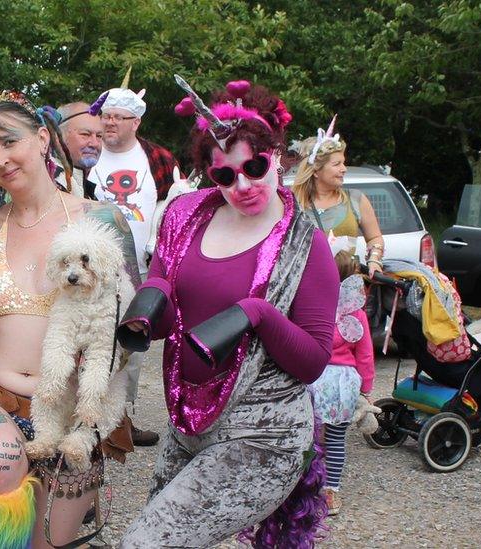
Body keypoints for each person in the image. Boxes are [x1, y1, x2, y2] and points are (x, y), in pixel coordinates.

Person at [0, 65, 139, 545]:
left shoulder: (99, 219)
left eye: (9, 142)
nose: (0, 158)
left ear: (41, 139)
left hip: (71, 411)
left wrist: (100, 380)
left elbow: (134, 322)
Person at [117, 78, 337, 547]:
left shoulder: (305, 244)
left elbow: (314, 361)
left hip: (264, 434)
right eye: (225, 175)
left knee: (145, 543)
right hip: (186, 422)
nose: (243, 185)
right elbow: (164, 286)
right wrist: (147, 302)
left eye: (254, 167)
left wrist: (257, 312)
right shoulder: (186, 214)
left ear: (277, 155)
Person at [88, 82, 179, 447]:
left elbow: (173, 204)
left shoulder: (157, 158)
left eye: (117, 117)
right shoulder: (86, 153)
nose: (109, 123)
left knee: (132, 345)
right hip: (90, 266)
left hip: (138, 268)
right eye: (105, 116)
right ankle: (87, 415)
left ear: (136, 121)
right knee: (88, 337)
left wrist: (160, 242)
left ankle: (122, 419)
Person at [308, 249, 374, 516]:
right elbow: (365, 354)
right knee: (336, 440)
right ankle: (331, 492)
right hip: (343, 384)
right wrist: (366, 389)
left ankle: (306, 486)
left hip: (314, 379)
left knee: (310, 438)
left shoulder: (313, 304)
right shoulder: (356, 314)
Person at [290, 120, 385, 276]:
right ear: (315, 171)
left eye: (344, 163)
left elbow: (375, 237)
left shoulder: (356, 199)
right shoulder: (293, 204)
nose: (344, 169)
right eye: (337, 164)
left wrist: (374, 260)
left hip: (348, 286)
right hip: (307, 286)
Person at [55, 102, 102, 198]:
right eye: (85, 134)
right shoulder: (48, 184)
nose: (95, 143)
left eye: (99, 136)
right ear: (58, 137)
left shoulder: (83, 188)